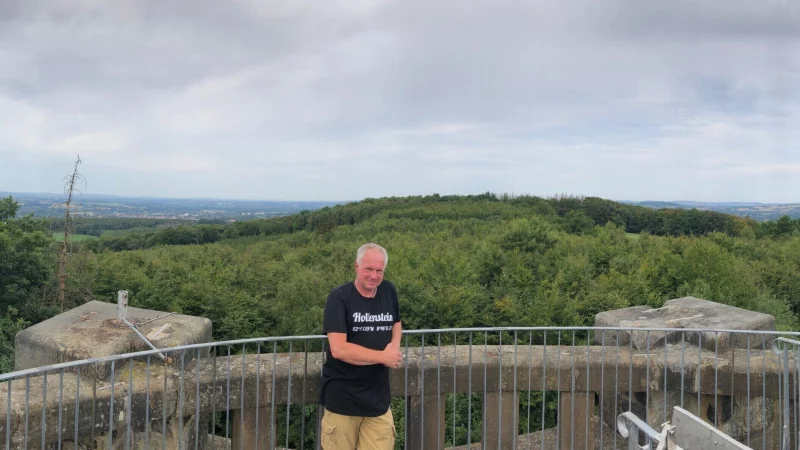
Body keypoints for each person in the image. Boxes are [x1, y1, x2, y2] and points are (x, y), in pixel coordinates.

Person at [318, 243, 403, 450]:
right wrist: (383, 357)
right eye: (368, 269)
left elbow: (397, 323)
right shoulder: (339, 298)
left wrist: (394, 346)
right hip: (343, 401)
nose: (374, 276)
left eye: (379, 270)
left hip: (378, 401)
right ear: (357, 267)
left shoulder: (388, 290)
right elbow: (339, 349)